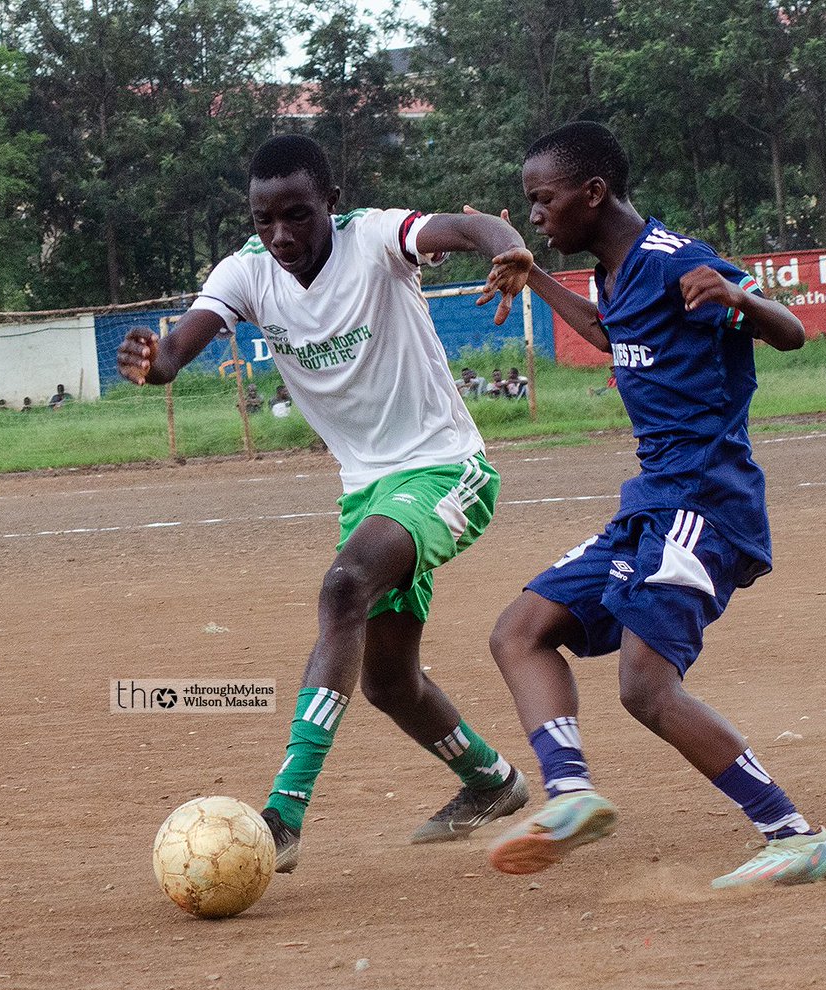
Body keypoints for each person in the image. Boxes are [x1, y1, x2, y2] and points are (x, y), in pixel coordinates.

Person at [117, 133, 536, 873]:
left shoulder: (376, 239)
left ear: (332, 208)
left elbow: (465, 229)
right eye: (263, 218)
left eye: (298, 216)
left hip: (446, 472)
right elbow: (180, 348)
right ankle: (490, 781)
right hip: (369, 493)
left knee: (344, 585)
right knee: (387, 680)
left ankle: (282, 816)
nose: (280, 235)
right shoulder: (247, 274)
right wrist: (155, 364)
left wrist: (508, 247)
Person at [477, 120, 826, 888]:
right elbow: (613, 335)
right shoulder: (617, 269)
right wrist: (537, 276)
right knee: (520, 631)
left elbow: (791, 334)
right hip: (654, 502)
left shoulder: (680, 259)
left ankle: (794, 833)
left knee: (645, 685)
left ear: (593, 192)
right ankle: (570, 793)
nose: (535, 215)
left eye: (542, 201)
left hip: (706, 500)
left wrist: (740, 298)